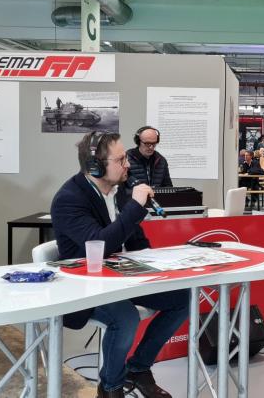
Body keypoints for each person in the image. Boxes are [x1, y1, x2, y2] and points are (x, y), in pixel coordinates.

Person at [51, 131, 189, 398]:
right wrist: (136, 206)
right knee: (125, 317)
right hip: (85, 283)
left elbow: (135, 240)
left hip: (124, 277)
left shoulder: (121, 191)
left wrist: (159, 266)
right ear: (95, 166)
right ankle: (111, 387)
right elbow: (100, 245)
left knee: (183, 298)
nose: (127, 164)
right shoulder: (69, 198)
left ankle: (138, 368)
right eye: (120, 159)